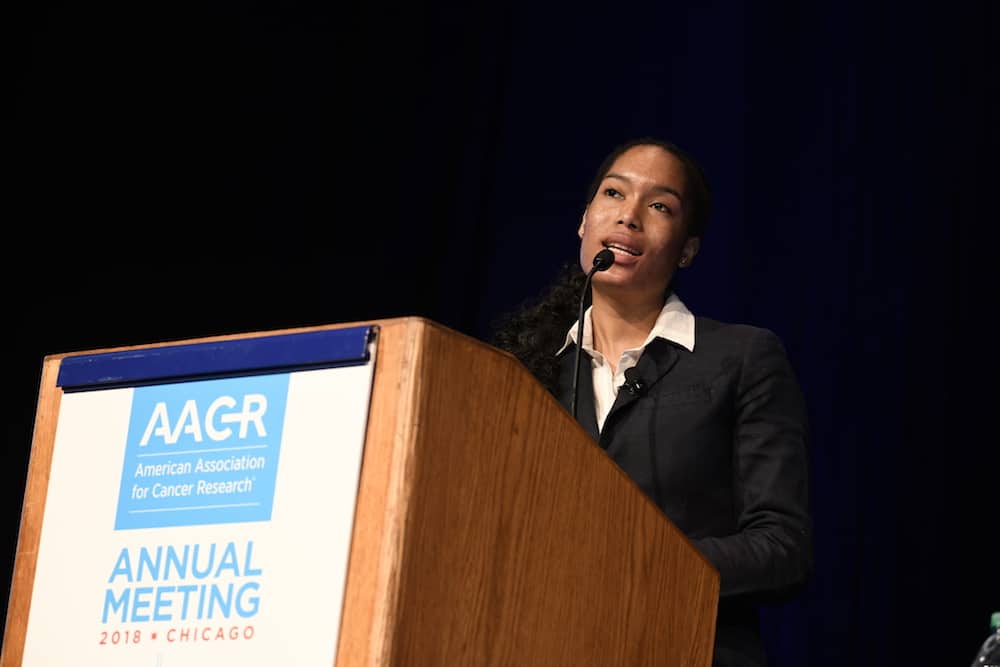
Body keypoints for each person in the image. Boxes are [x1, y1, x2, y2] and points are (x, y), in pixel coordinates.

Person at [490, 137, 813, 667]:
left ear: (687, 248)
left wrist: (639, 563)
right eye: (614, 194)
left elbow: (782, 548)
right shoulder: (521, 373)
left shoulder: (742, 358)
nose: (629, 217)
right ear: (584, 220)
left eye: (659, 206)